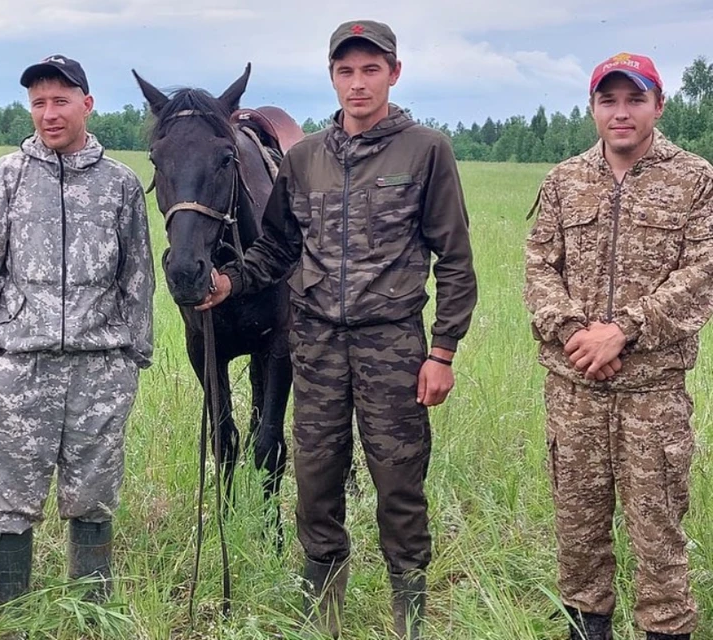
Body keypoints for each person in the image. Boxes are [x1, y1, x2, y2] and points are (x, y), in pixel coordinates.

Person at [197, 19, 477, 639]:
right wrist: (229, 283)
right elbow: (275, 250)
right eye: (346, 71)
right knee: (316, 480)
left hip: (394, 345)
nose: (358, 83)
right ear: (332, 77)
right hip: (316, 346)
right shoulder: (302, 161)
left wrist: (443, 350)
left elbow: (454, 257)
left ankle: (410, 609)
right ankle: (322, 608)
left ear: (394, 73)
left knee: (399, 481)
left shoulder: (426, 151)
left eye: (371, 69)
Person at [0, 55, 154, 613]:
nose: (48, 113)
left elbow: (138, 278)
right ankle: (12, 611)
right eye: (38, 103)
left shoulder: (120, 185)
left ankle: (91, 609)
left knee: (93, 494)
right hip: (21, 369)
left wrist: (130, 358)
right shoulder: (6, 178)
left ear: (87, 105)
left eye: (60, 101)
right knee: (9, 494)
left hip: (99, 369)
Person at [524, 53, 713, 640]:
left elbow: (704, 269)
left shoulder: (695, 179)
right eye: (609, 100)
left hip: (652, 397)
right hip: (574, 393)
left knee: (658, 539)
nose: (621, 112)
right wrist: (573, 332)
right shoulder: (563, 181)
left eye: (635, 99)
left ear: (659, 105)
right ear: (593, 108)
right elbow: (537, 267)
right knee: (577, 539)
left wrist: (624, 329)